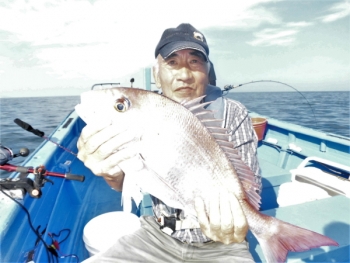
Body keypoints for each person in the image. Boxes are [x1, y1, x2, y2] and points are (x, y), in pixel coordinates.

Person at [78, 23, 261, 263]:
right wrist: (111, 174)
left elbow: (251, 190)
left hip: (223, 244)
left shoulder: (233, 112)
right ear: (156, 73)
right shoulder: (146, 114)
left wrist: (237, 222)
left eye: (195, 62)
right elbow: (126, 182)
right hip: (158, 235)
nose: (184, 74)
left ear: (207, 70)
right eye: (172, 62)